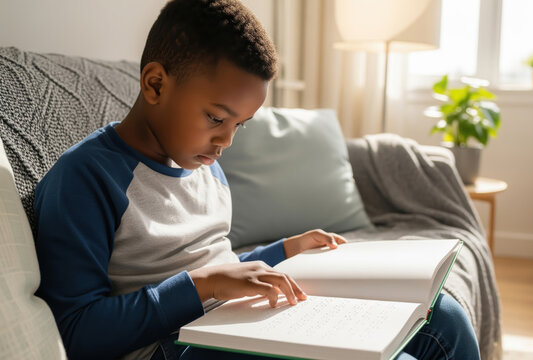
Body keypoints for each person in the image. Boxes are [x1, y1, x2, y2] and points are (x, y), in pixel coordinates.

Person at [33, 0, 481, 359]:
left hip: (228, 319)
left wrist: (283, 252)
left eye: (240, 125)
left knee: (440, 313)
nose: (225, 140)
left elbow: (218, 262)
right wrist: (203, 287)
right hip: (171, 346)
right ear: (154, 85)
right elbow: (76, 333)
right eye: (216, 117)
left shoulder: (203, 162)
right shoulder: (86, 177)